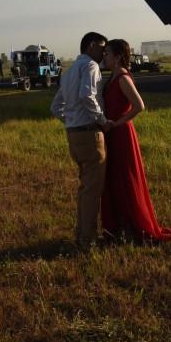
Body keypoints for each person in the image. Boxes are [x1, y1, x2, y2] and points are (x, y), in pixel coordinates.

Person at [100, 38, 171, 244]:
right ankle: (122, 225)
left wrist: (117, 123)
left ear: (117, 57)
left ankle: (133, 225)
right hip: (113, 133)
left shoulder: (123, 78)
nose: (104, 57)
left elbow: (139, 105)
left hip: (122, 134)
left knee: (126, 178)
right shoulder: (113, 76)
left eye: (107, 53)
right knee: (116, 179)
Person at [50, 32, 113, 251]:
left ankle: (82, 233)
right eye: (102, 48)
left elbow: (55, 106)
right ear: (92, 45)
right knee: (93, 190)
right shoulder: (91, 66)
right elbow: (88, 95)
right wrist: (102, 120)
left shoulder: (68, 73)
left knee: (85, 188)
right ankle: (88, 240)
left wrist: (71, 120)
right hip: (89, 134)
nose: (104, 53)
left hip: (73, 135)